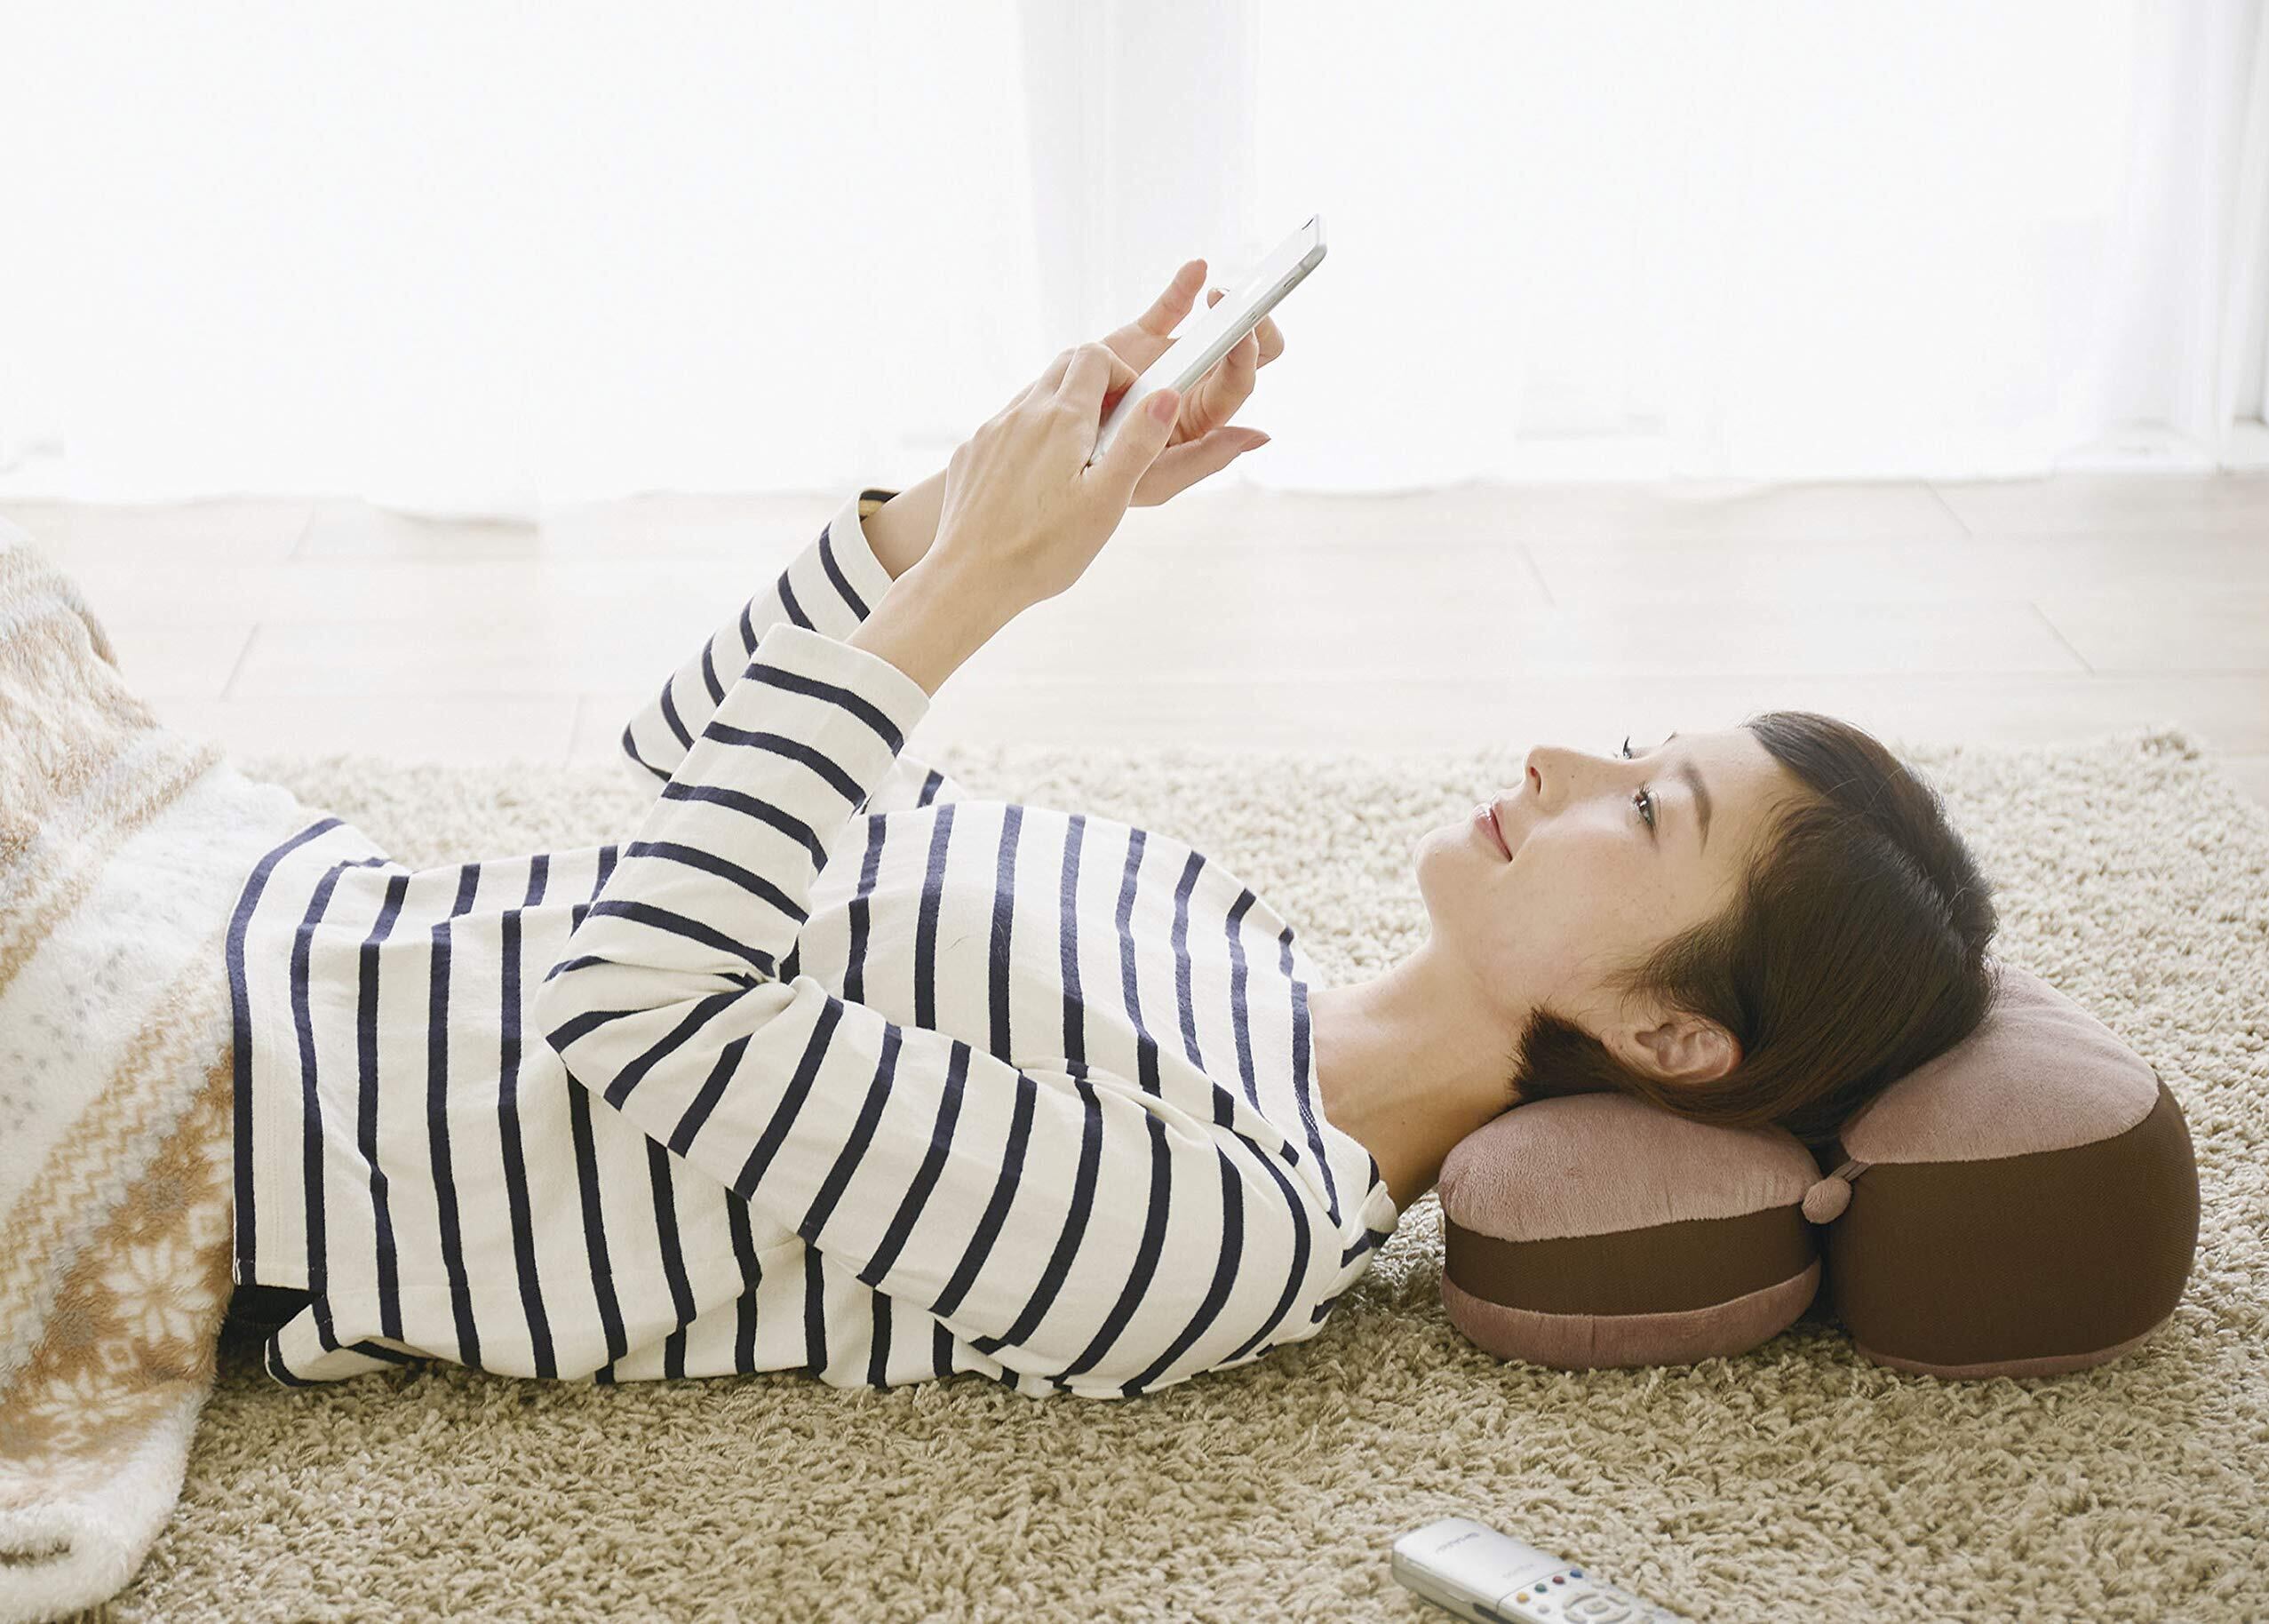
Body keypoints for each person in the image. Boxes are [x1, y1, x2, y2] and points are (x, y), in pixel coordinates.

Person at [221, 259, 2000, 1400]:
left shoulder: (1226, 1232)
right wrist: (982, 493)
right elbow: (701, 761)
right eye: (1628, 748)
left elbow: (636, 1005)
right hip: (303, 924)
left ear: (1672, 1034)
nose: (1556, 757)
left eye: (1648, 805)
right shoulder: (1210, 917)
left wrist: (986, 588)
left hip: (254, 1139)